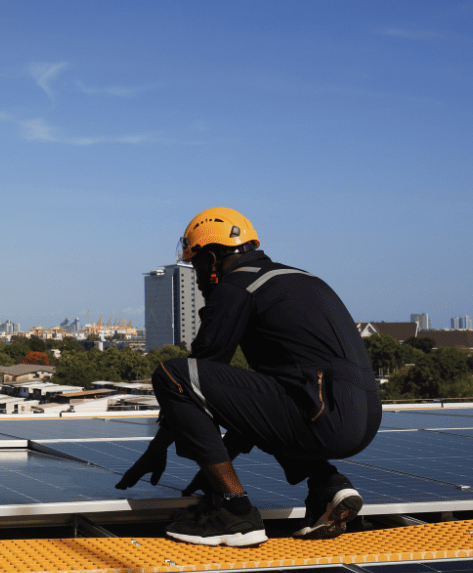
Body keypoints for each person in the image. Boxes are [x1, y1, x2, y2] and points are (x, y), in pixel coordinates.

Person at [117, 207, 381, 546]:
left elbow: (194, 375)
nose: (196, 280)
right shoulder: (299, 279)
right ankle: (328, 486)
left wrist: (159, 447)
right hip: (361, 417)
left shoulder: (238, 285)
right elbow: (252, 411)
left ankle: (234, 512)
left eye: (196, 266)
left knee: (171, 372)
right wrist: (215, 463)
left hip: (321, 415)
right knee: (265, 388)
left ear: (212, 259)